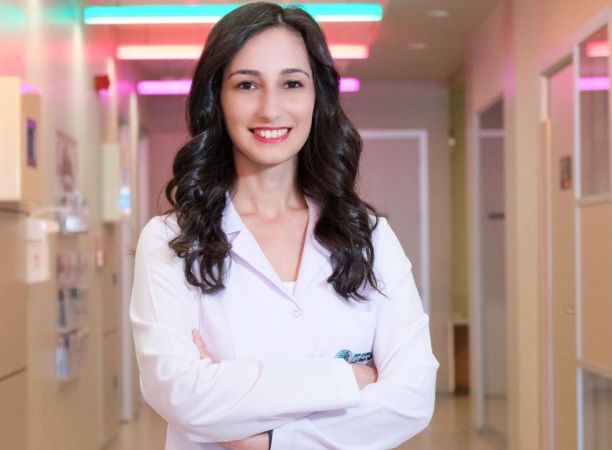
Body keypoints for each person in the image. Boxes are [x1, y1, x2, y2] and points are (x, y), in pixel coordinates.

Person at [129, 3, 438, 449]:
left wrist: (267, 441)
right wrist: (343, 379)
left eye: (292, 83)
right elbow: (179, 394)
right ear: (217, 98)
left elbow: (411, 398)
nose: (270, 108)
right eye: (247, 84)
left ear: (317, 98)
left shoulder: (368, 237)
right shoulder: (170, 241)